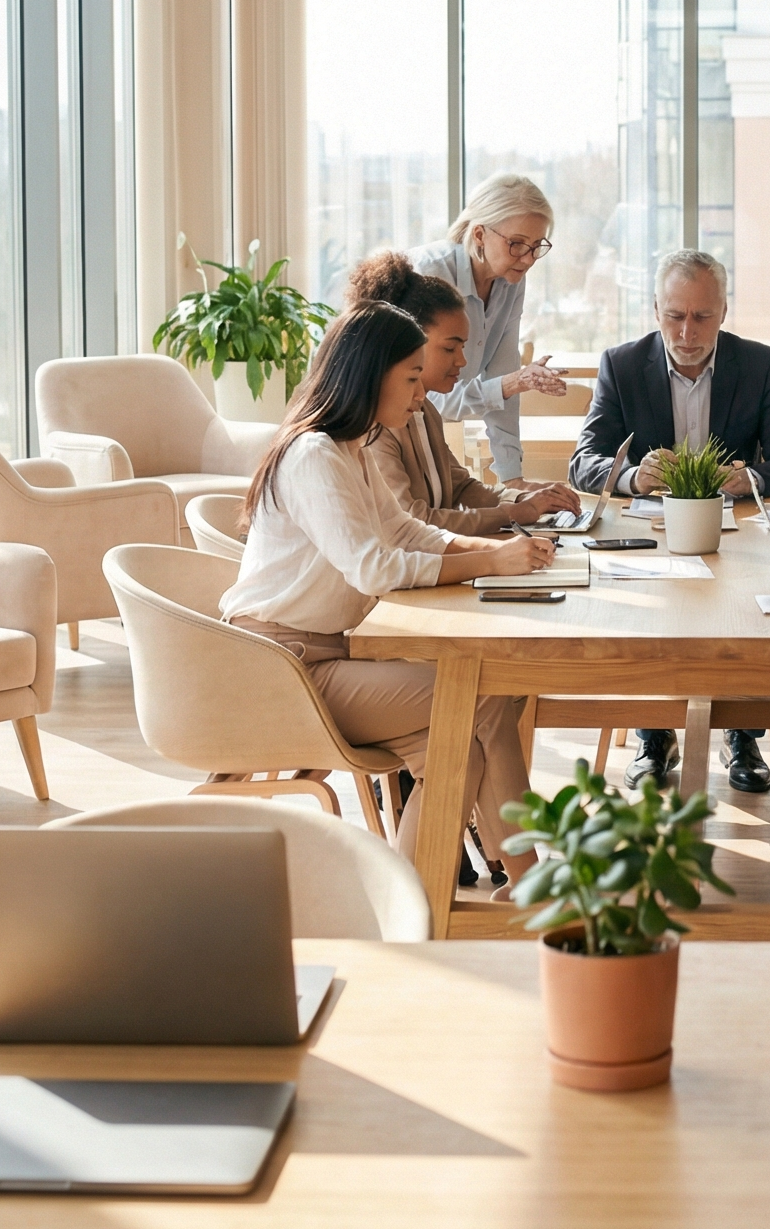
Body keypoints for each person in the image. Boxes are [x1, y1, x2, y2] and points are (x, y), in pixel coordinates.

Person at [221, 303, 558, 881]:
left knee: (462, 733)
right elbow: (373, 568)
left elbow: (405, 529)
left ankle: (438, 894)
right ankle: (524, 882)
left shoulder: (348, 447)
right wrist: (492, 560)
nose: (420, 394)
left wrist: (491, 557)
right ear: (371, 374)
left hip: (324, 653)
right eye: (410, 379)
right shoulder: (314, 456)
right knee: (476, 696)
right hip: (282, 665)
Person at [570, 248, 770, 793]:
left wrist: (747, 476)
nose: (687, 331)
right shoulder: (622, 364)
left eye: (702, 316)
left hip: (735, 536)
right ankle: (653, 736)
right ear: (655, 310)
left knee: (751, 609)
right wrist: (633, 474)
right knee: (651, 614)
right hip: (650, 534)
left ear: (723, 312)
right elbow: (583, 462)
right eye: (675, 316)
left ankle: (742, 736)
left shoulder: (759, 363)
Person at [347, 252, 583, 534]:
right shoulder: (375, 423)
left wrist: (526, 497)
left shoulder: (425, 410)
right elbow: (413, 521)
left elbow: (460, 486)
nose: (462, 361)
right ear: (408, 342)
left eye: (463, 347)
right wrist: (513, 513)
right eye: (450, 348)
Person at [410, 174, 572, 486]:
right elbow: (431, 398)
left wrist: (513, 481)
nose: (528, 259)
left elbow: (504, 375)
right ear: (480, 234)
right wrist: (511, 384)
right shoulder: (430, 273)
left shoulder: (512, 281)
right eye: (517, 244)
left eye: (537, 246)